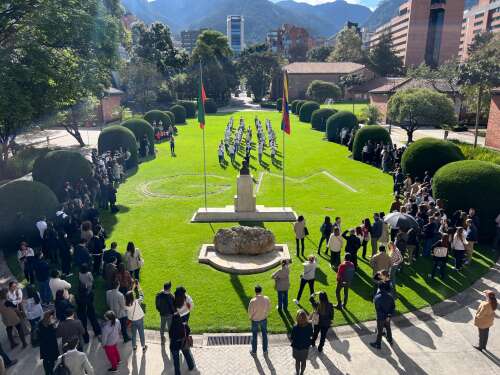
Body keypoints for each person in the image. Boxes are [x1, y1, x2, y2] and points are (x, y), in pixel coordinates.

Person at [76, 265, 101, 343]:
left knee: (83, 323)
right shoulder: (90, 294)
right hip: (89, 307)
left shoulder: (78, 296)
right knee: (93, 319)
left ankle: (86, 338)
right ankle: (97, 332)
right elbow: (92, 298)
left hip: (82, 310)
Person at [370, 281, 395, 349]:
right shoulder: (390, 296)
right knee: (388, 328)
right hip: (388, 317)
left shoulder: (377, 297)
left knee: (379, 331)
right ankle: (390, 340)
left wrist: (385, 316)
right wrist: (388, 316)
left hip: (380, 318)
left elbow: (378, 310)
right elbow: (393, 307)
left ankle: (378, 344)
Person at [248, 285, 270, 355]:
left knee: (254, 336)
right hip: (263, 319)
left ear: (255, 291)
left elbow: (250, 311)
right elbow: (269, 308)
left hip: (255, 320)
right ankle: (265, 351)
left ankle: (254, 351)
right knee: (264, 335)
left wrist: (250, 317)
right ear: (261, 290)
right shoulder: (266, 299)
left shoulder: (252, 301)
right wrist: (265, 315)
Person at [291, 310, 313, 375]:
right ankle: (302, 373)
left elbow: (292, 337)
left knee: (297, 361)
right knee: (304, 361)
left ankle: (297, 373)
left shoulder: (295, 327)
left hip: (296, 347)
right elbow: (311, 334)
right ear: (306, 317)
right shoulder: (309, 325)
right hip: (305, 347)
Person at [38, 310, 59, 375]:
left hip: (44, 345)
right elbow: (54, 333)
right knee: (52, 361)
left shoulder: (40, 323)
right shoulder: (51, 325)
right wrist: (55, 326)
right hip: (51, 345)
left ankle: (47, 372)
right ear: (50, 317)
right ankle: (51, 372)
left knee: (46, 360)